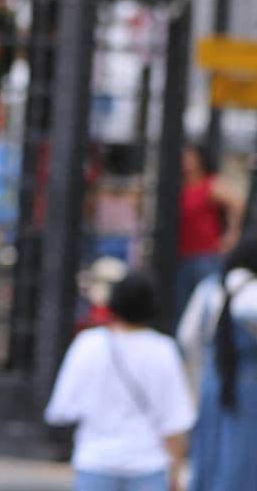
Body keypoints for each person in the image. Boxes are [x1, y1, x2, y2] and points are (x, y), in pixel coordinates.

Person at [44, 272, 195, 491]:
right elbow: (176, 423)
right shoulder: (164, 350)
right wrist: (177, 474)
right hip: (148, 466)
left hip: (96, 462)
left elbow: (61, 409)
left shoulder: (88, 345)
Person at [177, 238, 257, 490]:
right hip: (248, 387)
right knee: (242, 455)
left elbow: (188, 337)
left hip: (213, 380)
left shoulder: (209, 288)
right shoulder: (254, 292)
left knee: (208, 449)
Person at [176, 145, 244, 321]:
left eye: (190, 156)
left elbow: (237, 203)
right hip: (183, 255)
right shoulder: (180, 186)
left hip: (206, 256)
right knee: (183, 308)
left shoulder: (210, 184)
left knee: (207, 306)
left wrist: (231, 236)